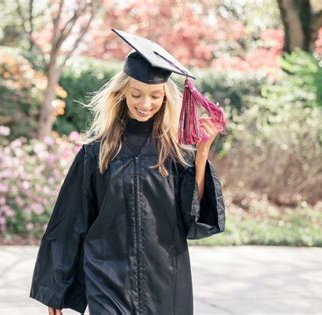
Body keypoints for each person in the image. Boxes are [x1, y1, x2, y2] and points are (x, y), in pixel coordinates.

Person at [29, 29, 226, 315]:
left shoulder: (174, 155)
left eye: (155, 96)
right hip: (106, 275)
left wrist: (203, 153)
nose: (145, 104)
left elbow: (193, 219)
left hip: (165, 279)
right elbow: (70, 220)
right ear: (122, 93)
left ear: (165, 98)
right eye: (137, 94)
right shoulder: (96, 154)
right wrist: (55, 292)